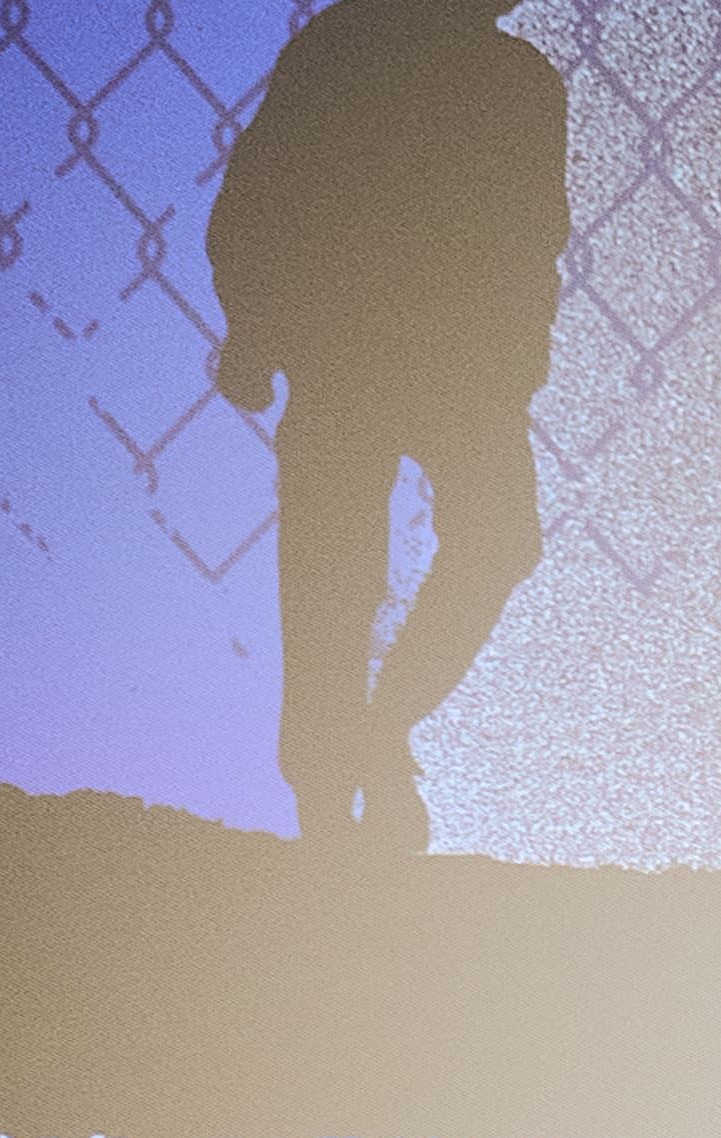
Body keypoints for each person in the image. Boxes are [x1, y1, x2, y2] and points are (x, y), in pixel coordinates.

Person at [203, 0, 570, 851]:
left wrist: (254, 328)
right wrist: (253, 327)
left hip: (427, 356)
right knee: (342, 564)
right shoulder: (352, 46)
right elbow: (259, 196)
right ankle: (334, 781)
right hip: (368, 348)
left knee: (453, 546)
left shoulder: (515, 82)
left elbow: (533, 242)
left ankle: (367, 740)